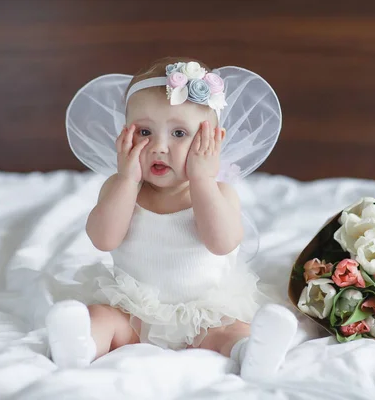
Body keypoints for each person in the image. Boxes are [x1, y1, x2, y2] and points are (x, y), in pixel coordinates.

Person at [45, 57, 298, 382]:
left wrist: (203, 182)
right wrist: (125, 180)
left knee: (230, 331)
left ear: (213, 141)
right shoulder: (121, 188)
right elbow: (103, 239)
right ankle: (80, 347)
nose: (160, 147)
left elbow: (222, 243)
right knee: (101, 317)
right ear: (125, 135)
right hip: (134, 309)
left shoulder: (219, 192)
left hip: (204, 311)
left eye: (179, 132)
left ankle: (251, 352)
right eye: (145, 131)